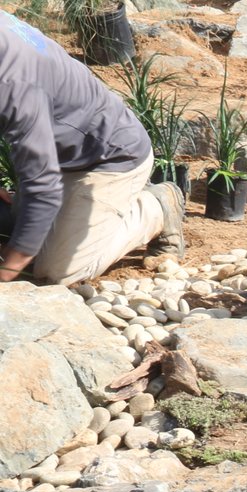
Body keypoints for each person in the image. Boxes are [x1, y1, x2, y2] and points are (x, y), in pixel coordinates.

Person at [0, 8, 183, 286]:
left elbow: (44, 187)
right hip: (56, 150)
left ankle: (155, 207)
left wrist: (8, 271)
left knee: (55, 272)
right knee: (21, 226)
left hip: (109, 158)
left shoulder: (14, 83)